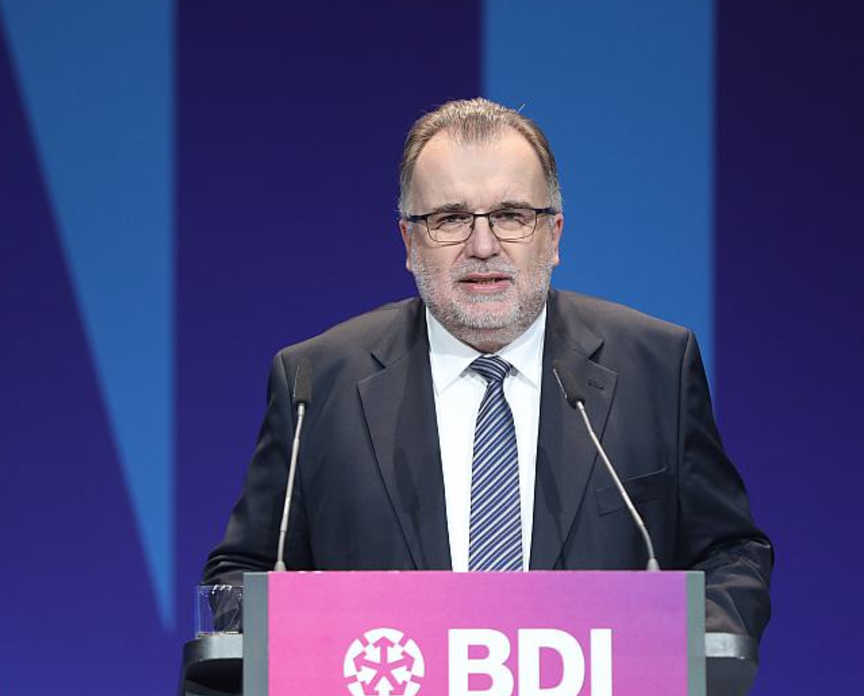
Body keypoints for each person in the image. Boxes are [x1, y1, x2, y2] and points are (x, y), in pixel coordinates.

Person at [203, 98, 772, 641]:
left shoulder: (656, 366)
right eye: (450, 218)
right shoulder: (316, 382)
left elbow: (730, 554)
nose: (482, 245)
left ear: (554, 235)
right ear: (409, 241)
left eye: (511, 215)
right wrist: (312, 654)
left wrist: (681, 656)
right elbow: (244, 574)